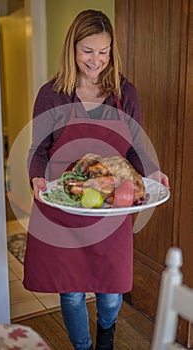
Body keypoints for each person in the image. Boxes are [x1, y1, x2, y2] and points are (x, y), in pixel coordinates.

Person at [23, 9, 169, 350]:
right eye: (88, 51)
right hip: (65, 206)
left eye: (104, 52)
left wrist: (151, 171)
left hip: (111, 207)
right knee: (72, 293)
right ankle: (83, 347)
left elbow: (135, 149)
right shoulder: (52, 94)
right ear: (72, 49)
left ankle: (106, 338)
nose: (96, 60)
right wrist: (36, 177)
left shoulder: (125, 93)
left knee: (111, 291)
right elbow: (38, 150)